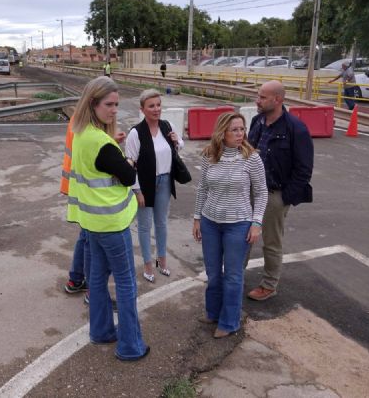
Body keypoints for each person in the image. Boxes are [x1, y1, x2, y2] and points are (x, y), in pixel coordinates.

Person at [66, 76, 149, 361]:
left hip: (91, 223)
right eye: (109, 105)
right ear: (93, 104)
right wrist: (125, 160)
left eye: (117, 104)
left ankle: (101, 331)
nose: (114, 110)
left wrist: (113, 148)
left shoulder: (81, 133)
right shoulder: (102, 143)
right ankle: (130, 346)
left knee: (97, 280)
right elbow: (128, 176)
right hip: (112, 225)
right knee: (126, 284)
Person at [193, 111, 267, 338]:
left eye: (241, 129)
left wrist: (256, 223)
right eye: (234, 129)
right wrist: (197, 218)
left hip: (239, 224)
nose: (239, 133)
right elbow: (202, 188)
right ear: (222, 132)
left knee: (233, 275)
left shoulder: (251, 158)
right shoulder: (209, 155)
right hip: (210, 222)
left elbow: (262, 192)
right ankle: (213, 312)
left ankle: (229, 321)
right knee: (213, 273)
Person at [245, 80, 314, 301]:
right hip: (250, 190)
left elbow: (304, 168)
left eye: (263, 97)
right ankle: (235, 275)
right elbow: (246, 151)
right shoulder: (257, 121)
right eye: (258, 95)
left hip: (275, 194)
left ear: (278, 99)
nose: (258, 100)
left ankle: (269, 285)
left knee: (271, 242)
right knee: (242, 234)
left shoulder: (296, 128)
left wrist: (286, 198)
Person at [62, 114, 126, 306]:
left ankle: (77, 279)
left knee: (85, 237)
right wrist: (110, 144)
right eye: (109, 104)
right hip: (89, 193)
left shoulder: (78, 118)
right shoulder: (88, 123)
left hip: (78, 187)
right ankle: (92, 290)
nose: (113, 111)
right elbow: (93, 153)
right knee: (91, 242)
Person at [125, 89, 184, 283]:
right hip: (145, 183)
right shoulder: (136, 132)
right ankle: (148, 264)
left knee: (161, 223)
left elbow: (178, 146)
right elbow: (130, 163)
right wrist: (137, 191)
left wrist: (178, 141)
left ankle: (162, 262)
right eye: (151, 106)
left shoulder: (167, 125)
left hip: (165, 180)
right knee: (144, 225)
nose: (156, 109)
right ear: (142, 109)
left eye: (158, 105)